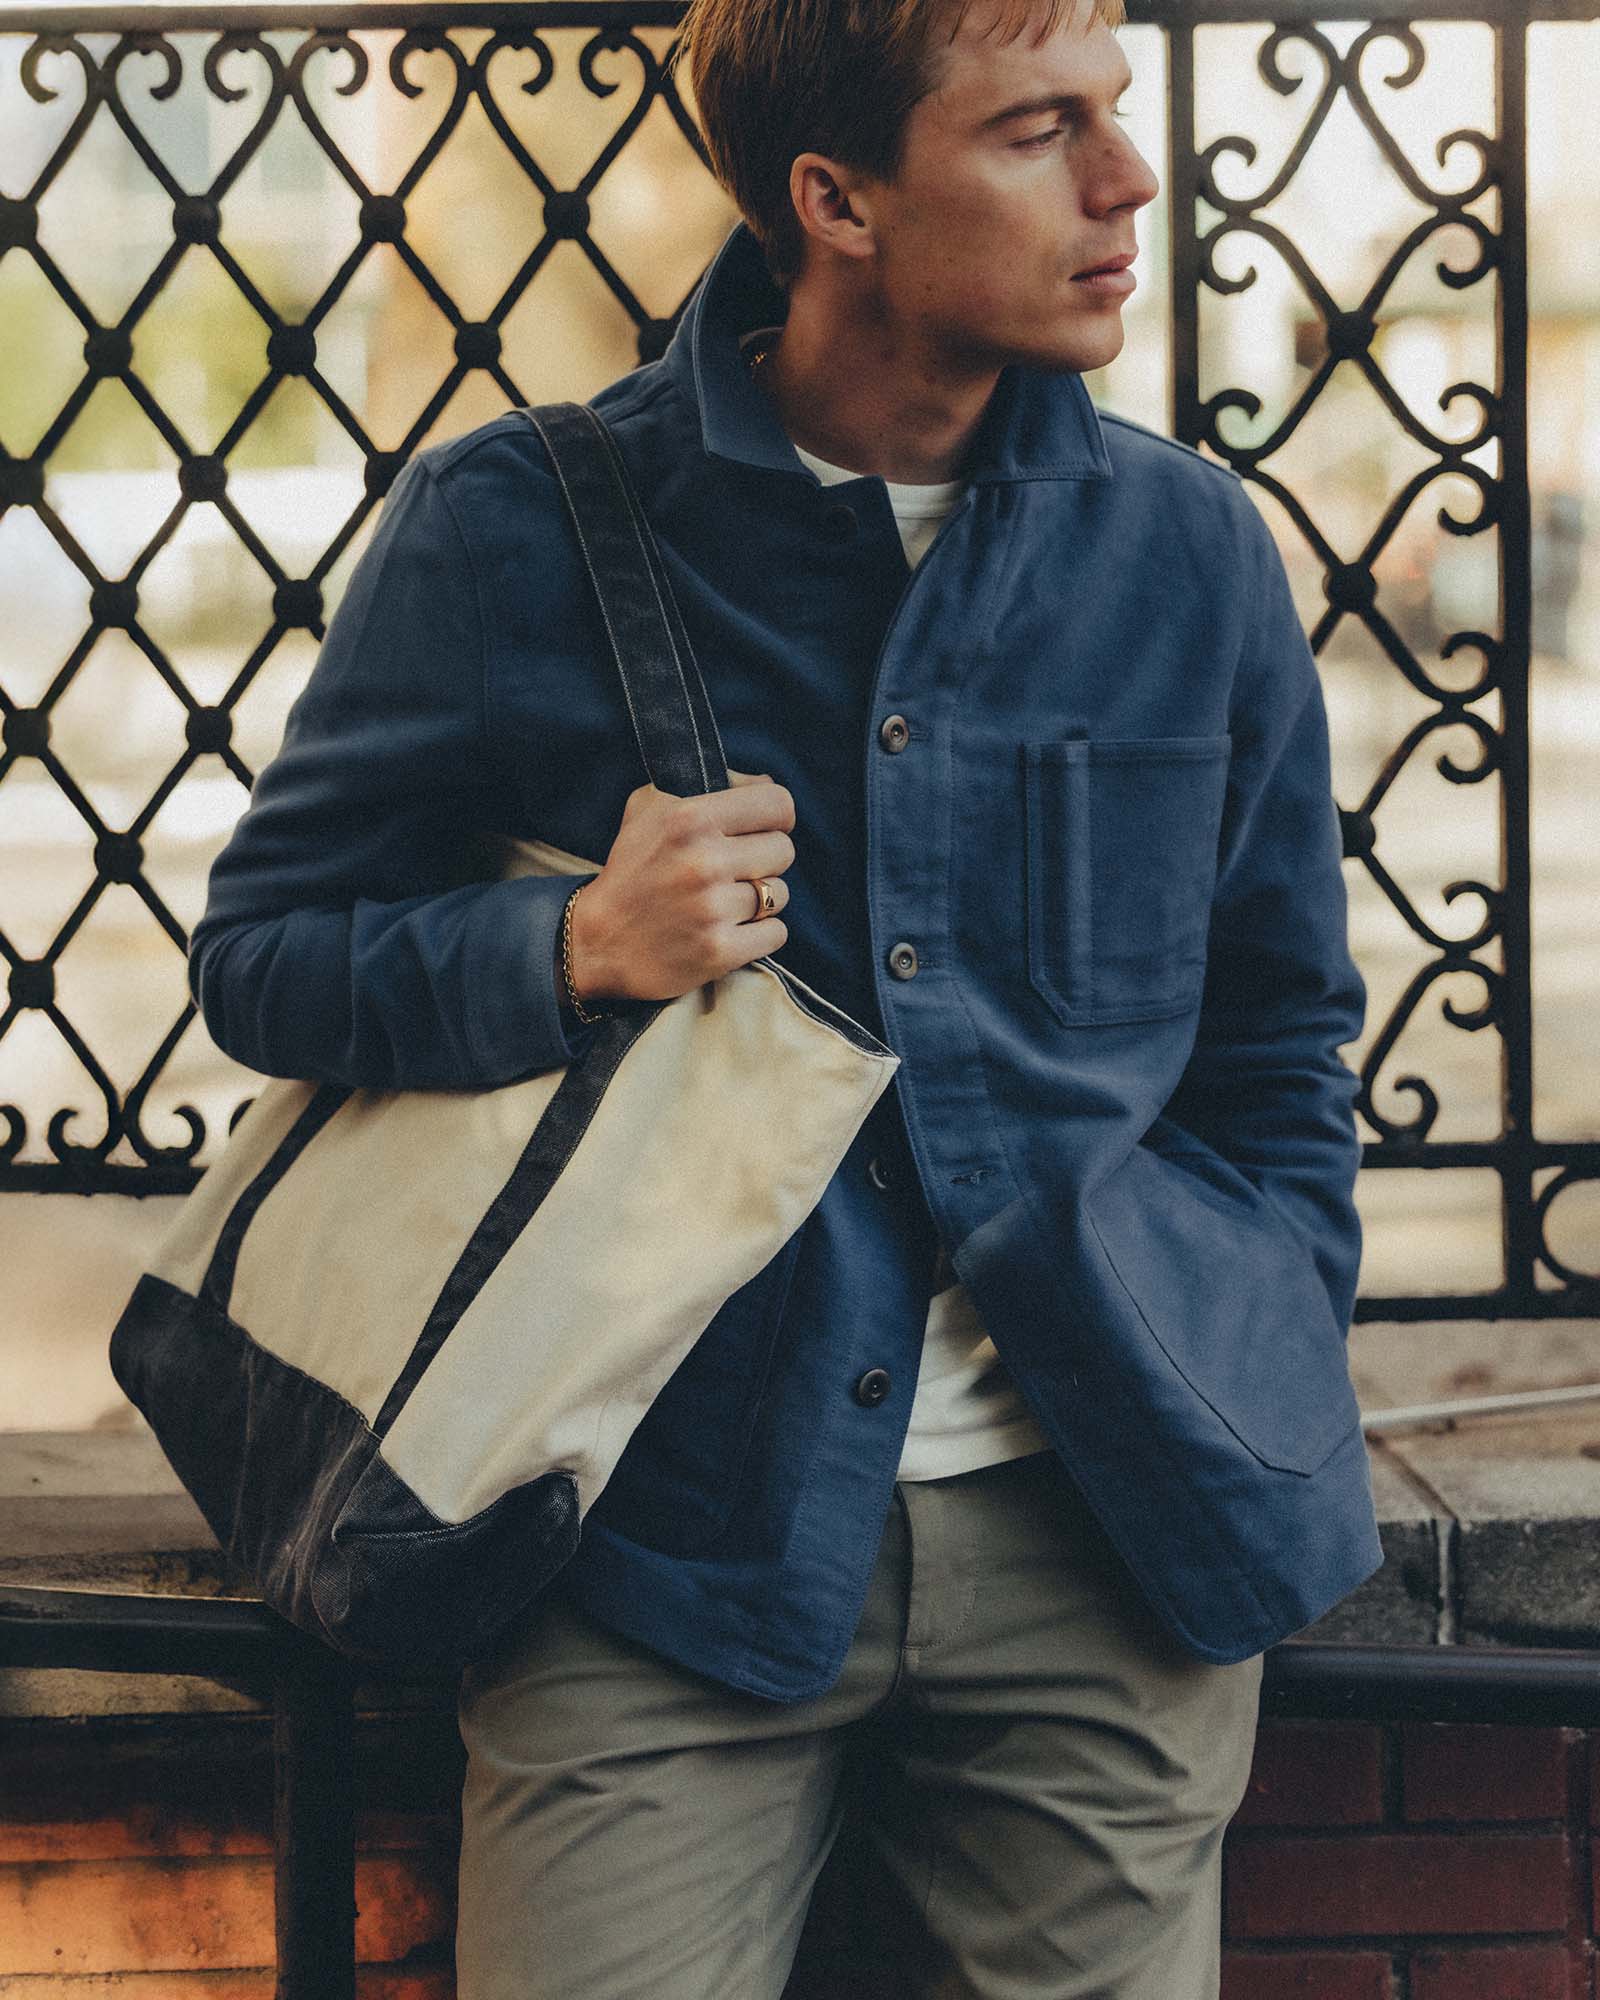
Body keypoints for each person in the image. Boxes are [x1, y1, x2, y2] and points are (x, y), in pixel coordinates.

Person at [187, 0, 1385, 1989]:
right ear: (834, 199)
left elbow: (1275, 1034)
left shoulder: (1186, 555)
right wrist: (572, 949)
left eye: (1111, 114)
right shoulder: (521, 525)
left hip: (1108, 1534)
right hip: (658, 1546)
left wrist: (1257, 1340)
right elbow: (264, 958)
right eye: (1035, 133)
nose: (1126, 182)